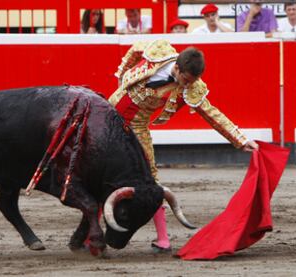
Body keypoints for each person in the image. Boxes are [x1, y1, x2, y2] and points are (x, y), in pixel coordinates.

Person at [108, 40, 259, 253]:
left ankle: (163, 239)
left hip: (137, 127)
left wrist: (241, 139)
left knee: (150, 180)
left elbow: (212, 114)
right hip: (109, 113)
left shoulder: (192, 88)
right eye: (185, 80)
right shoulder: (158, 50)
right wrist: (121, 76)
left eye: (192, 81)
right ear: (177, 68)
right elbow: (134, 50)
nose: (187, 85)